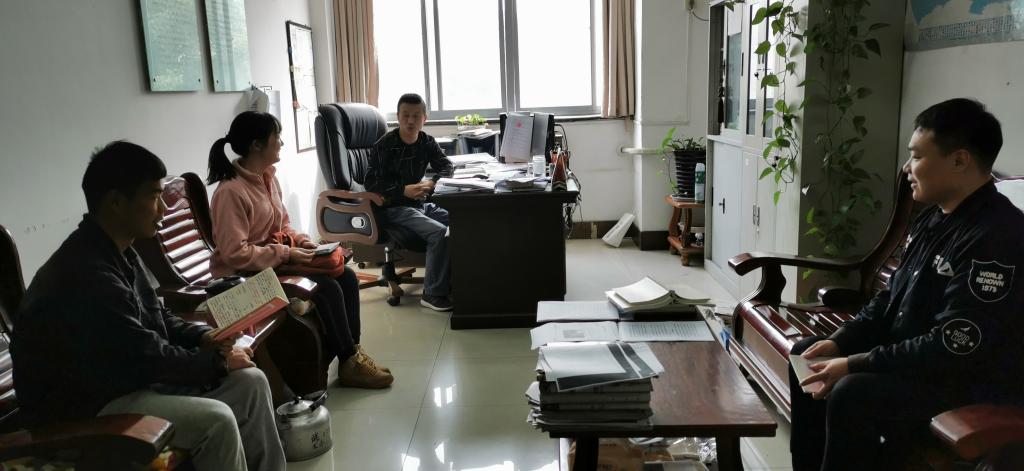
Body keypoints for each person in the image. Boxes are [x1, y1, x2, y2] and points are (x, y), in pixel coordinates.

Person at [11, 141, 285, 471]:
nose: (163, 210)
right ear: (116, 202)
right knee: (217, 421)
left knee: (250, 383)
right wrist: (218, 363)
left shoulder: (121, 251)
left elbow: (157, 317)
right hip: (85, 413)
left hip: (124, 384)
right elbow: (146, 357)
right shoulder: (85, 273)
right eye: (154, 197)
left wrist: (203, 337)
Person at [789, 98, 1024, 470]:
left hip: (963, 381)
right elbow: (889, 300)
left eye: (916, 156)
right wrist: (842, 341)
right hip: (917, 361)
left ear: (960, 161)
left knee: (853, 391)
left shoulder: (997, 236)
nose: (906, 168)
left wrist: (856, 363)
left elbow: (955, 344)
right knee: (807, 354)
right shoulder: (933, 219)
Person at [207, 111, 393, 389]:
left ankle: (352, 357)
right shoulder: (230, 192)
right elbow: (235, 254)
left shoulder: (267, 178)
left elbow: (283, 224)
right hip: (244, 278)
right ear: (257, 145)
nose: (281, 143)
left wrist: (303, 242)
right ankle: (349, 359)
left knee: (346, 276)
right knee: (327, 287)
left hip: (272, 265)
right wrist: (286, 253)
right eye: (277, 137)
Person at [364, 93, 455, 311]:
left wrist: (432, 182)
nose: (410, 121)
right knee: (440, 233)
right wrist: (402, 190)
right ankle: (432, 293)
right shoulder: (385, 145)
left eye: (416, 116)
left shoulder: (426, 141)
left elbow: (447, 166)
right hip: (393, 208)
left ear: (425, 118)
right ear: (398, 116)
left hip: (420, 204)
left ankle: (457, 280)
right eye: (405, 115)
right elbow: (371, 183)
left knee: (465, 220)